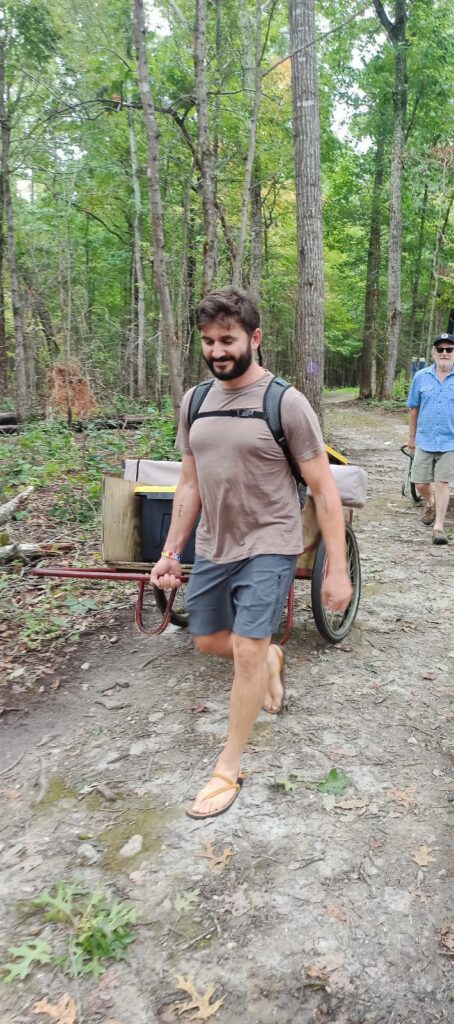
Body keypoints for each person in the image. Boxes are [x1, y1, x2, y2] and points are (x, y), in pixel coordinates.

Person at [150, 287, 352, 820]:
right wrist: (171, 551)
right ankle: (272, 659)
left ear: (255, 338)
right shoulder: (195, 401)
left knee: (244, 651)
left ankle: (227, 767)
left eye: (228, 339)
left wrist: (335, 566)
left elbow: (323, 489)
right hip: (216, 544)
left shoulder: (284, 402)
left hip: (271, 542)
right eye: (209, 341)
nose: (217, 350)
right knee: (207, 639)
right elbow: (189, 484)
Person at [406, 332, 454, 545]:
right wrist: (411, 438)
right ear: (433, 353)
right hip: (425, 439)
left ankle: (439, 527)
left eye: (449, 349)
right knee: (420, 483)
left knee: (442, 483)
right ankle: (429, 502)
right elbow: (413, 409)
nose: (445, 353)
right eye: (440, 349)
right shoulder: (420, 377)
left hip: (451, 440)